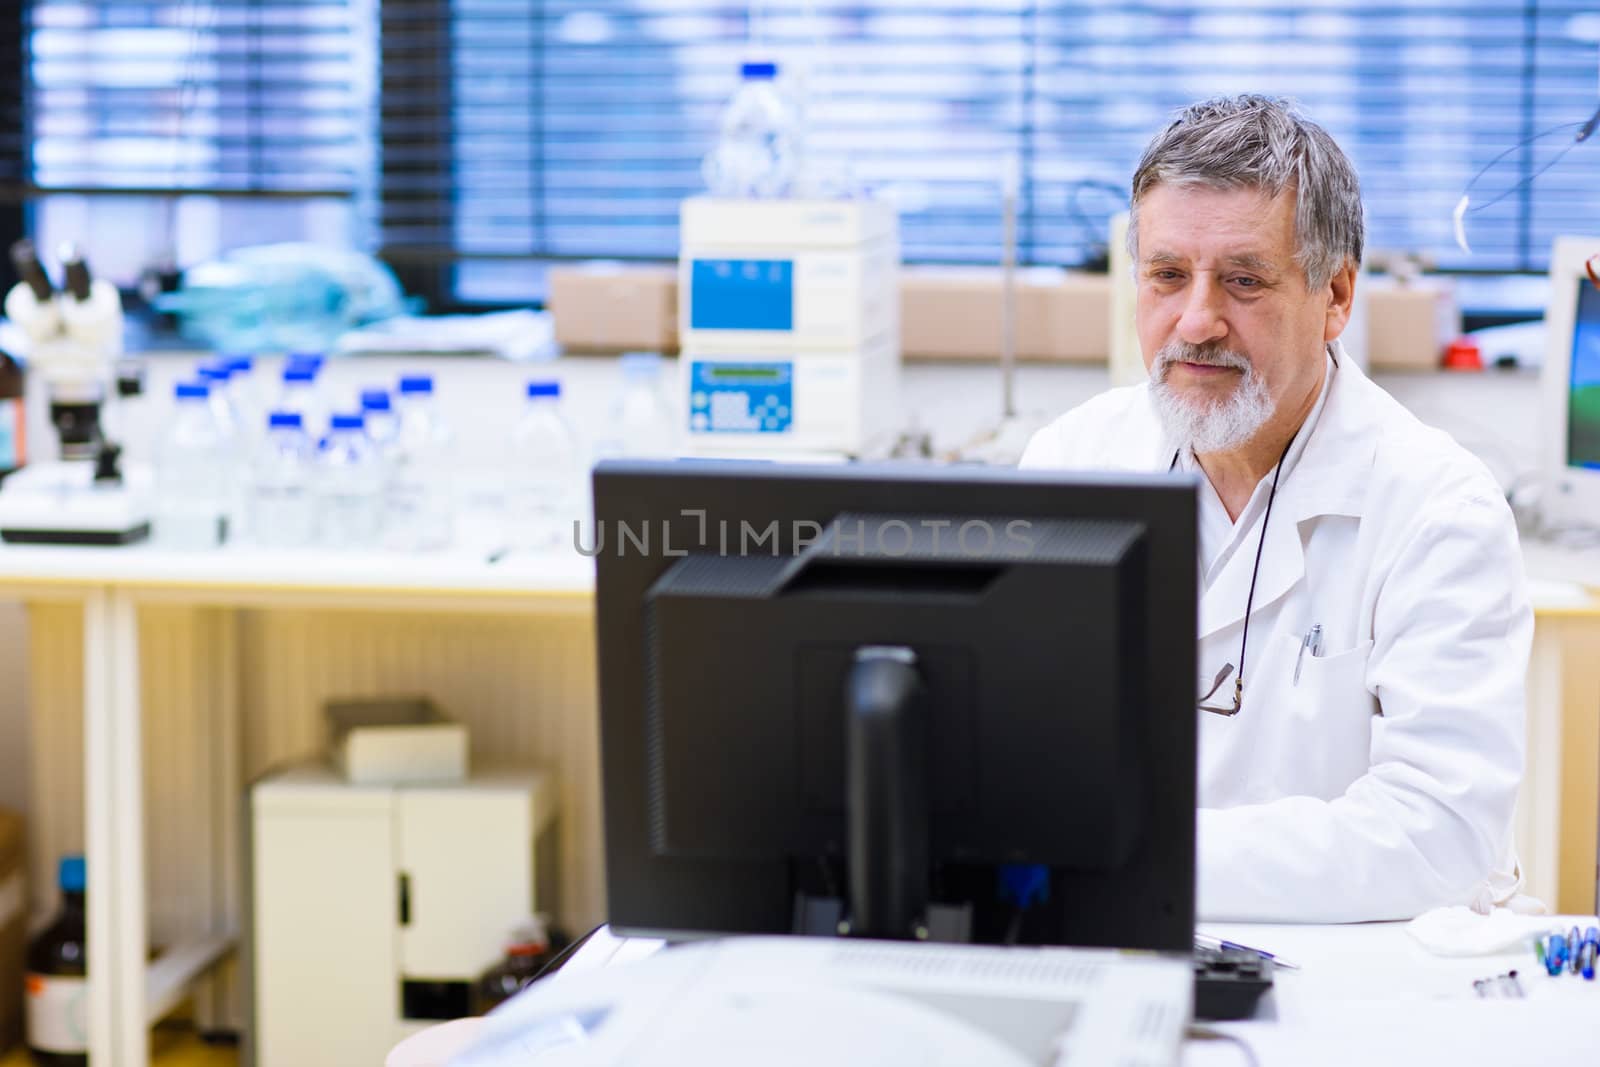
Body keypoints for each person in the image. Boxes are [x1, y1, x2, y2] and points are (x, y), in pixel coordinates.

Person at [1020, 95, 1530, 923]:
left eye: (1244, 281)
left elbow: (1439, 834)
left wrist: (1141, 854)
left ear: (1335, 296)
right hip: (1114, 937)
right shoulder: (1069, 464)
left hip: (1361, 979)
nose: (1196, 320)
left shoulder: (1438, 508)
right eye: (1167, 275)